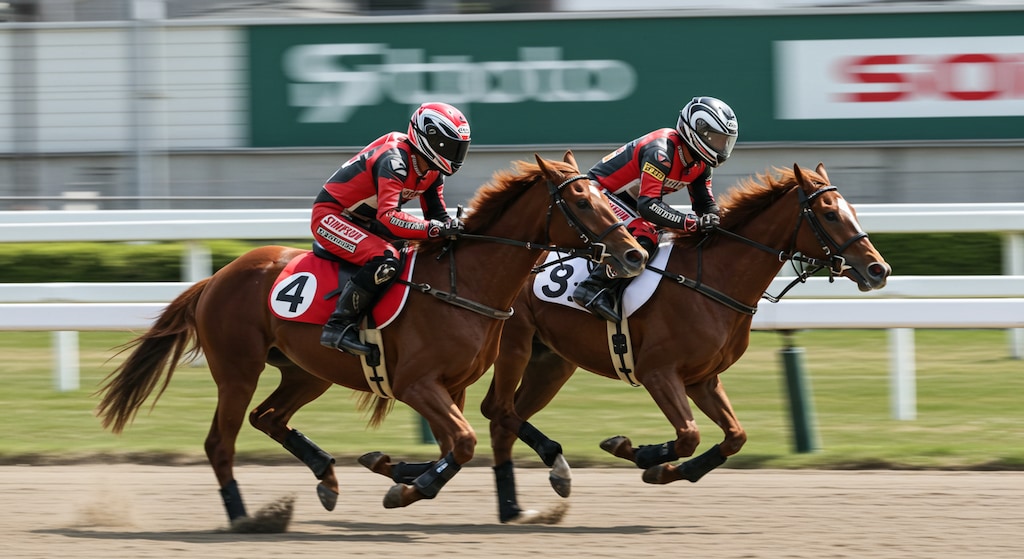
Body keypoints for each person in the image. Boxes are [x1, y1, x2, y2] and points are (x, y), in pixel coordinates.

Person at [312, 102, 471, 355]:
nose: (456, 154)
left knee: (415, 255)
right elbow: (389, 217)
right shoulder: (394, 159)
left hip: (365, 219)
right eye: (450, 146)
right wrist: (434, 229)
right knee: (385, 259)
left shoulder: (432, 170)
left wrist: (451, 228)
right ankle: (338, 326)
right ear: (428, 139)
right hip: (332, 216)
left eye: (460, 148)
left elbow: (437, 215)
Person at [572, 96, 739, 322]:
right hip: (598, 194)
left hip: (630, 200)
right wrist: (691, 223)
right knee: (646, 233)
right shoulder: (661, 150)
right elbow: (648, 206)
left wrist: (715, 221)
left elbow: (704, 204)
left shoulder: (701, 164)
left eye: (725, 141)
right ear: (697, 132)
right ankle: (591, 288)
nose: (721, 147)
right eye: (717, 139)